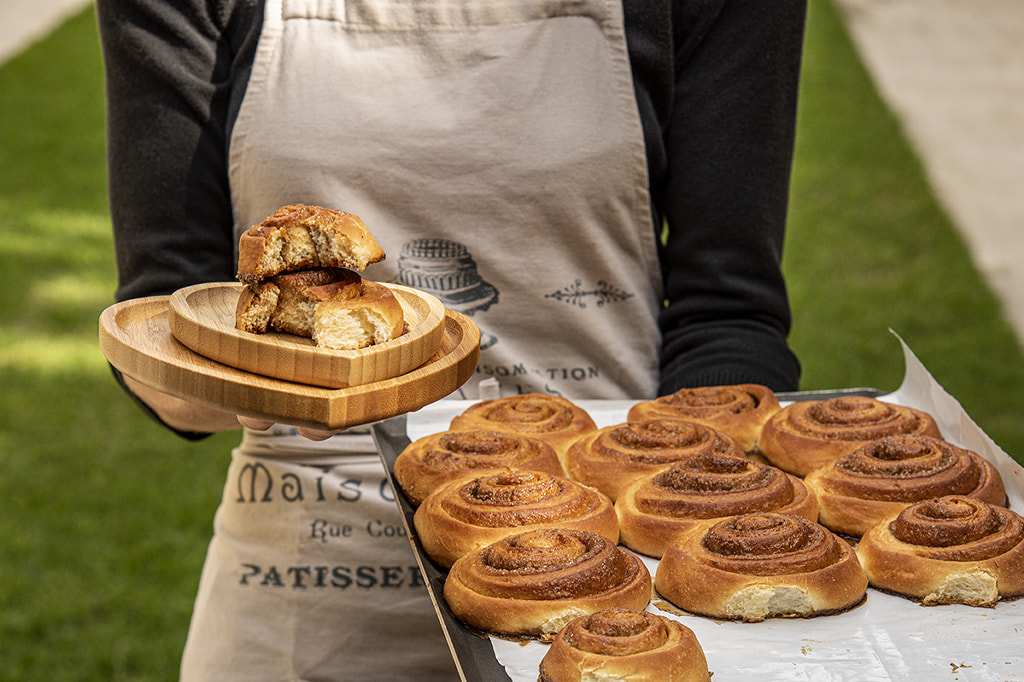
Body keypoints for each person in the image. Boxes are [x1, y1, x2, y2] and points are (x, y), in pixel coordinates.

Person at [96, 0, 806, 678]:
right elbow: (164, 312)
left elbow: (727, 312)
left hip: (620, 579)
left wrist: (713, 507)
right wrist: (260, 383)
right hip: (312, 579)